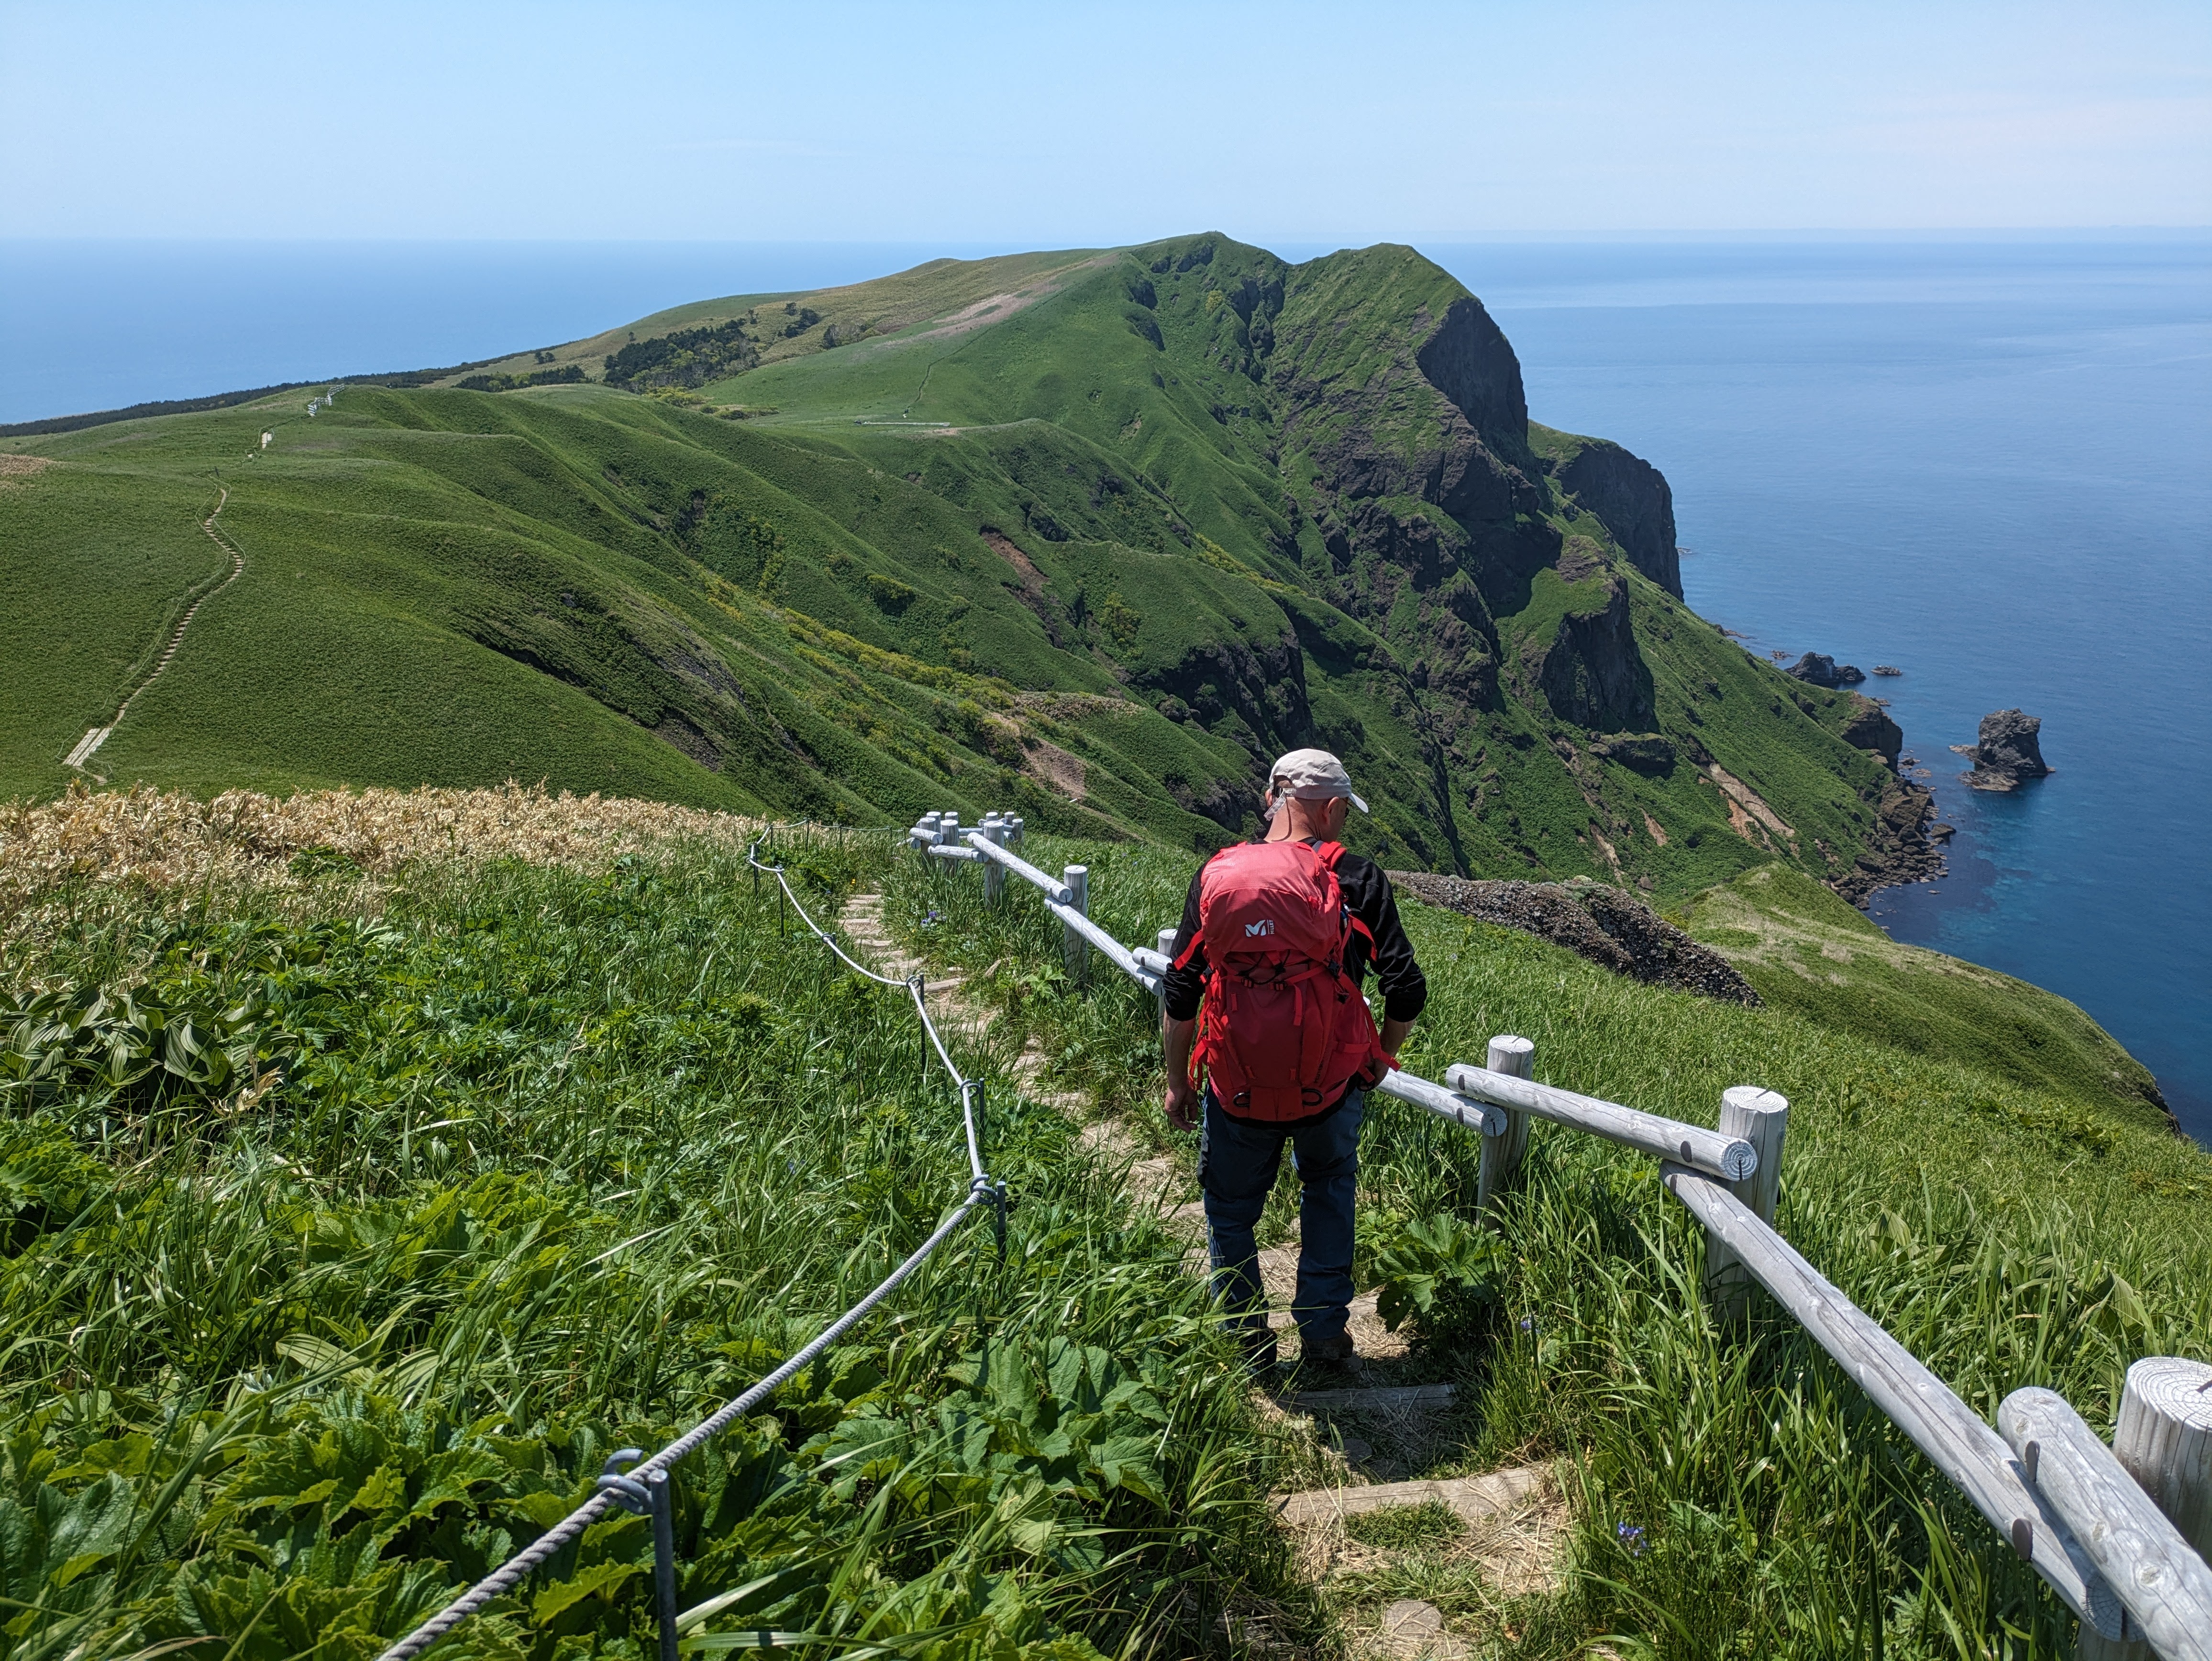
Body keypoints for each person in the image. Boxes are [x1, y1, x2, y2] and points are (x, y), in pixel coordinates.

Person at [1161, 748, 1427, 1372]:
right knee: (1328, 1191)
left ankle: (1249, 1344)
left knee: (1230, 1214)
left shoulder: (1218, 876)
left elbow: (1180, 992)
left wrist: (1178, 1086)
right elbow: (1407, 988)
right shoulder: (1355, 879)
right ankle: (1324, 1337)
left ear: (1272, 800)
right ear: (1330, 808)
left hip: (1235, 1087)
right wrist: (1378, 1060)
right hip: (1330, 1087)